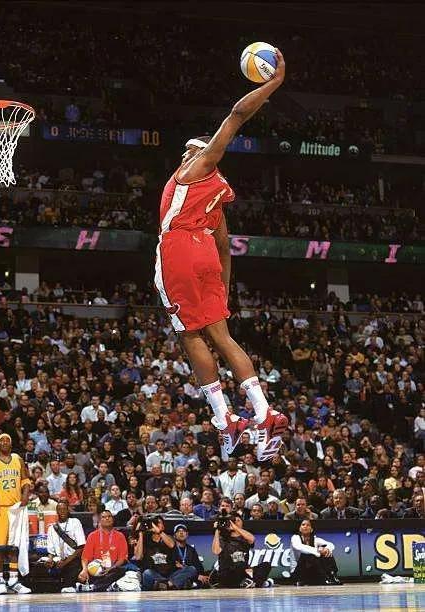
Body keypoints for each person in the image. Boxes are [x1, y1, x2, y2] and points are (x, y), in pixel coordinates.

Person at [153, 49, 288, 462]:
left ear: (199, 154)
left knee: (189, 334)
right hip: (208, 256)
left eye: (190, 151)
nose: (184, 156)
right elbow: (225, 246)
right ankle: (264, 413)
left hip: (179, 248)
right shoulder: (217, 198)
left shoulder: (194, 171)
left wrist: (274, 83)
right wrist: (223, 288)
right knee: (223, 336)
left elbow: (236, 115)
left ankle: (224, 417)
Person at [0, 433, 32, 594]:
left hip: (16, 509)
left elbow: (25, 480)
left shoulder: (18, 459)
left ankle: (14, 581)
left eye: (7, 440)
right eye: (1, 440)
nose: (4, 442)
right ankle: (0, 581)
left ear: (11, 444)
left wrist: (25, 494)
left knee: (14, 547)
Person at [212, 511, 271, 588]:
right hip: (228, 573)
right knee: (231, 571)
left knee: (266, 565)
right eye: (234, 521)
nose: (236, 522)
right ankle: (256, 582)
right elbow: (216, 551)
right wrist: (217, 530)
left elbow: (252, 539)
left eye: (238, 520)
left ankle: (249, 582)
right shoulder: (223, 538)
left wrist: (235, 527)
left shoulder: (245, 537)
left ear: (242, 522)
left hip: (243, 572)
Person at [78, 510, 128, 592]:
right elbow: (85, 557)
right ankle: (105, 586)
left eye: (109, 516)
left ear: (113, 519)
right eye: (104, 517)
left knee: (121, 571)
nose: (107, 518)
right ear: (99, 520)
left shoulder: (120, 536)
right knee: (81, 574)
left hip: (113, 569)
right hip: (95, 570)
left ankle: (93, 587)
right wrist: (84, 570)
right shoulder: (92, 536)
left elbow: (122, 558)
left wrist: (111, 568)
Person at [46, 500, 86, 592]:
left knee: (67, 585)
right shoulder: (52, 528)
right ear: (57, 511)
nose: (62, 511)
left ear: (68, 510)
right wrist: (50, 560)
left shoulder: (75, 522)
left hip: (73, 559)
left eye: (64, 509)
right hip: (59, 560)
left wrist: (66, 562)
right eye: (60, 509)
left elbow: (81, 547)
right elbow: (51, 551)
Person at [290, 519, 342, 585]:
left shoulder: (315, 539)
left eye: (308, 525)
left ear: (311, 529)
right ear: (300, 529)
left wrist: (326, 549)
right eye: (303, 525)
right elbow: (299, 547)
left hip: (312, 571)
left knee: (327, 552)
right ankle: (323, 578)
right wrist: (318, 550)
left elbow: (331, 545)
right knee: (308, 554)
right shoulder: (295, 538)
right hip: (298, 572)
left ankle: (332, 575)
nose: (305, 526)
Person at [133, 515, 179, 590]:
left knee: (191, 569)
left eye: (159, 523)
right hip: (153, 573)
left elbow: (171, 545)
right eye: (155, 523)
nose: (156, 525)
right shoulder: (145, 539)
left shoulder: (168, 537)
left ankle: (165, 584)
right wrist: (141, 534)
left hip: (169, 574)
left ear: (163, 526)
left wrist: (159, 531)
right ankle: (170, 584)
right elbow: (138, 557)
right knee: (147, 573)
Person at [172, 524, 210, 588]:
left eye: (183, 531)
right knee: (190, 570)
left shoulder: (191, 549)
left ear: (187, 534)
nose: (181, 533)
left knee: (199, 573)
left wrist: (201, 576)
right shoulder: (172, 548)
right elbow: (174, 566)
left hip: (191, 575)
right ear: (174, 535)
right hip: (176, 575)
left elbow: (198, 566)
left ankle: (189, 583)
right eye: (178, 531)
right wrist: (196, 576)